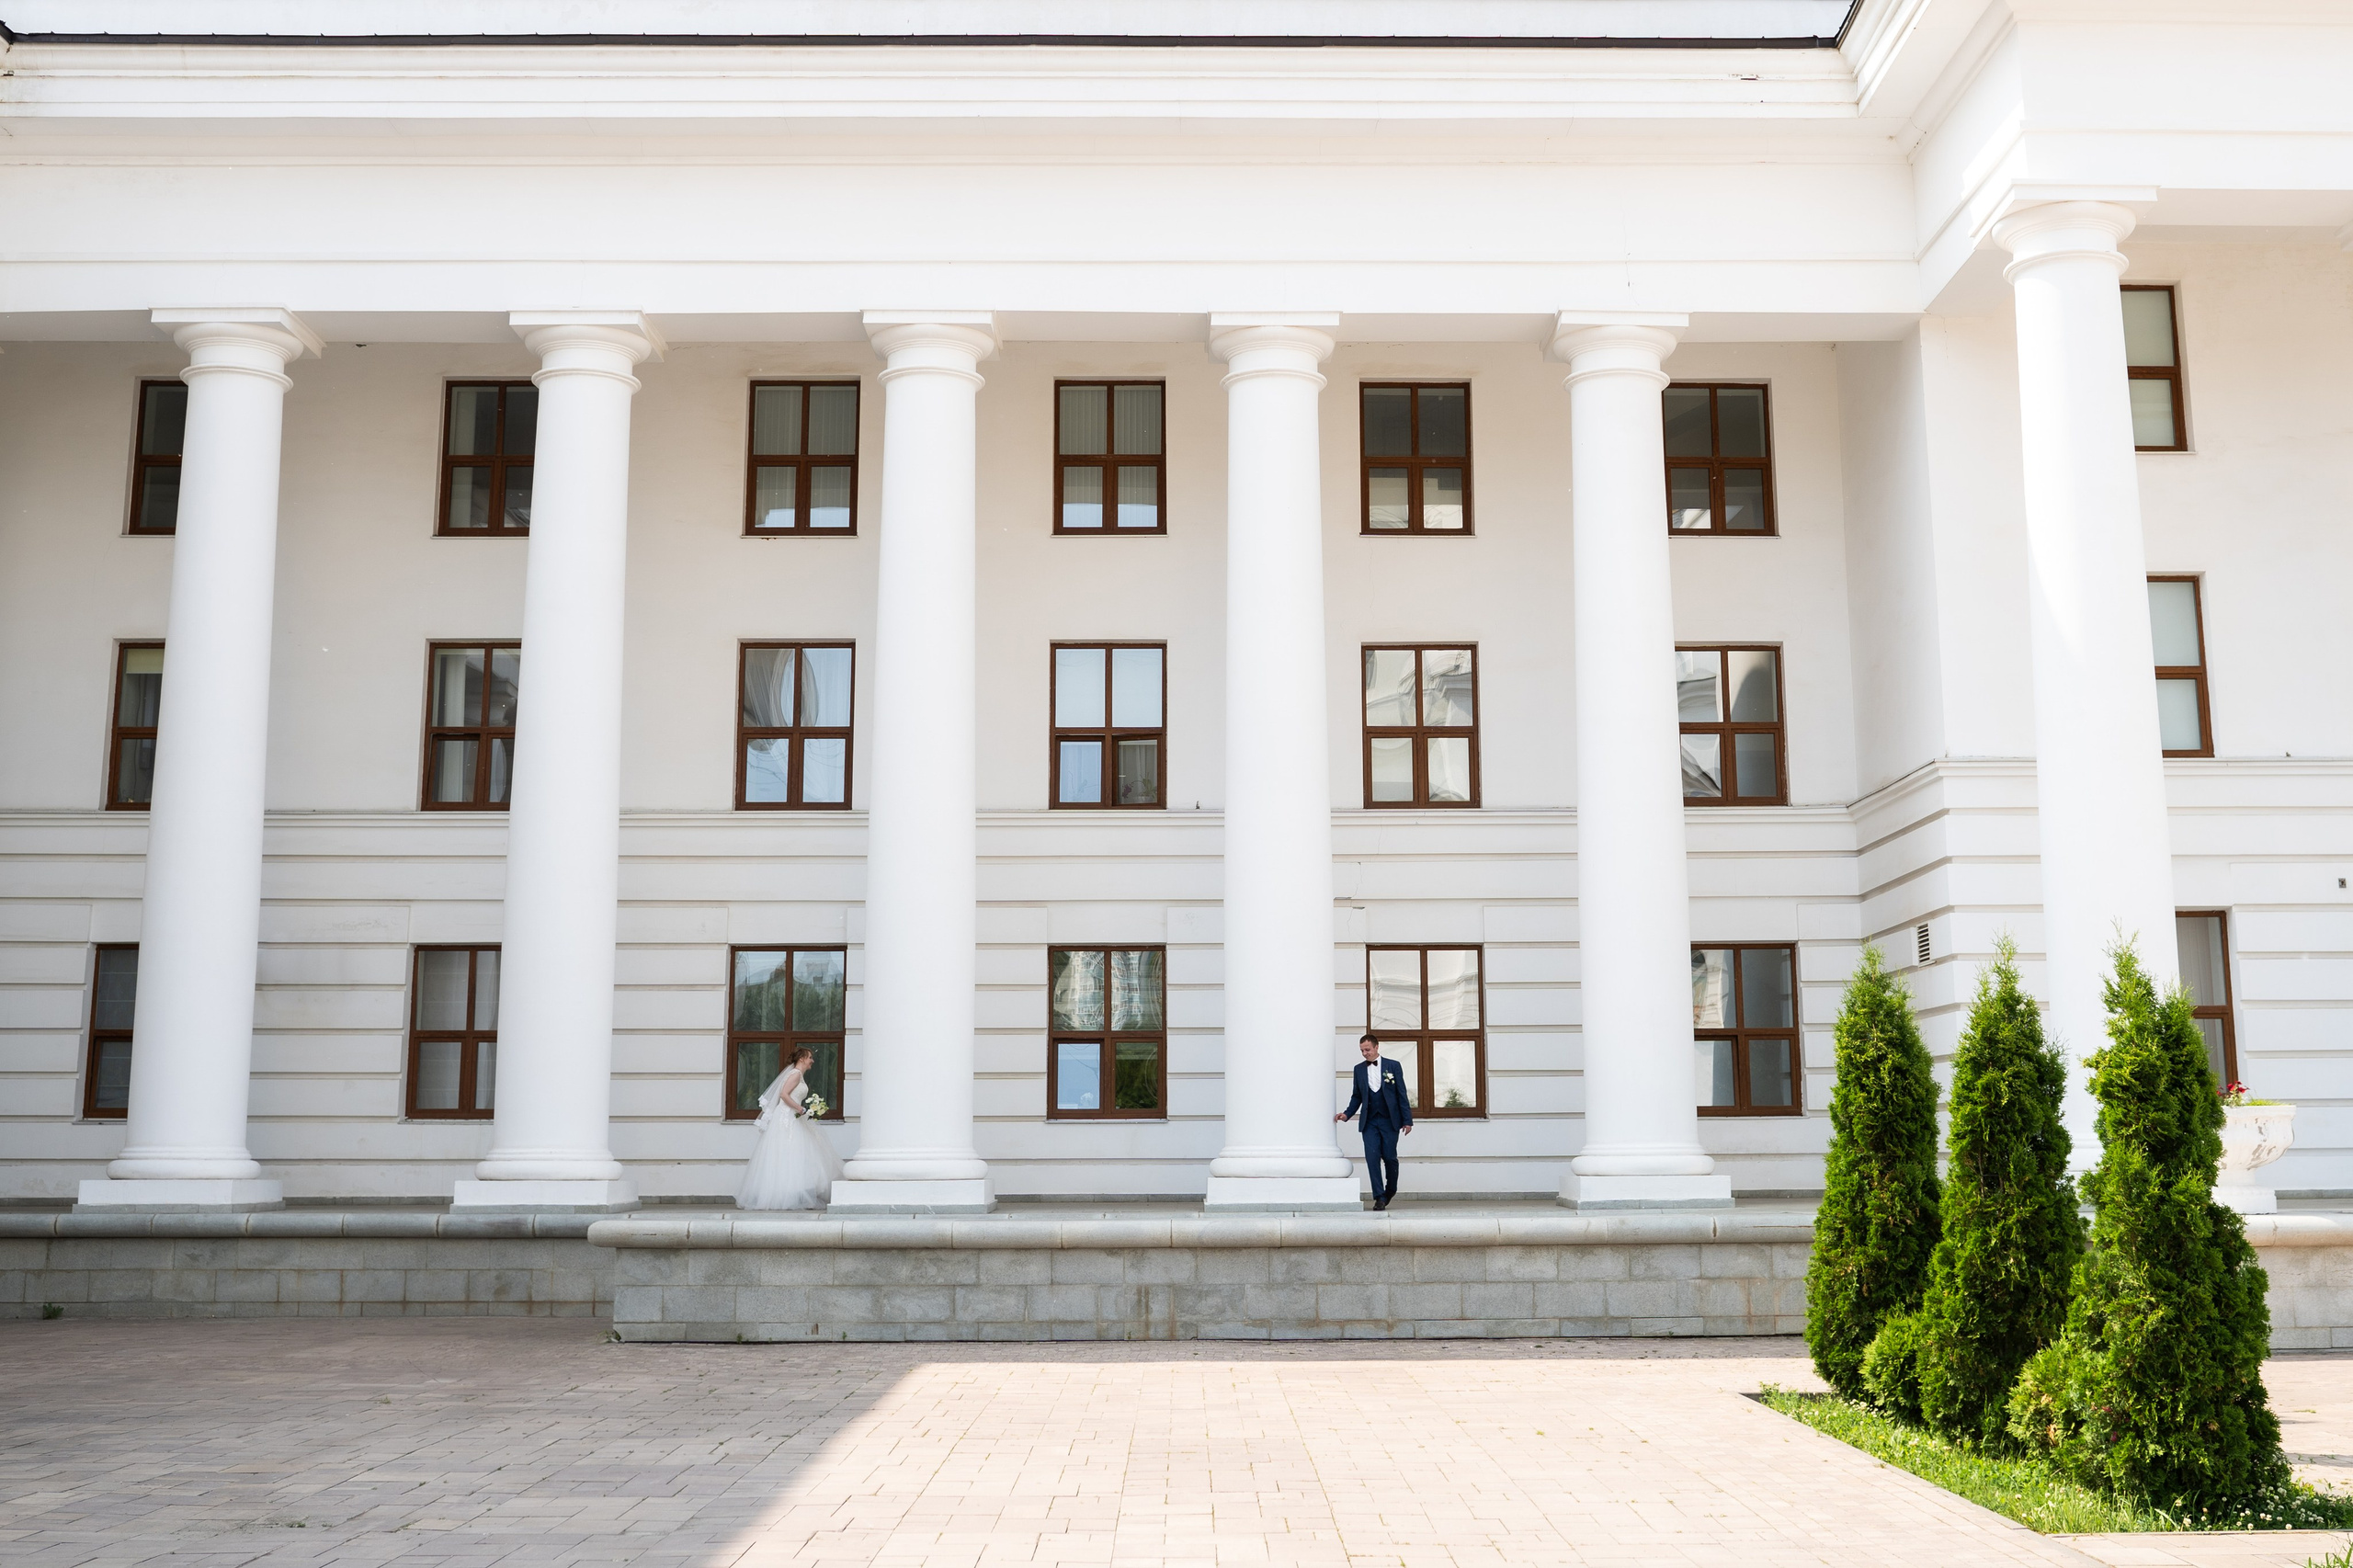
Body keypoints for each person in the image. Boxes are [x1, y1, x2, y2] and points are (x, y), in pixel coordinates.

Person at [735, 1047, 844, 1210]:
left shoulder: (796, 1074)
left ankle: (790, 1194)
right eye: (810, 1057)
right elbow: (784, 1095)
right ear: (801, 1059)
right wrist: (800, 1109)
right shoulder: (795, 1074)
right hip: (787, 1117)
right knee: (790, 1152)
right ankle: (787, 1196)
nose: (812, 1061)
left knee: (794, 1154)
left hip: (791, 1115)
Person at [1335, 1030, 1414, 1210]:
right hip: (1369, 1122)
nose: (1365, 1053)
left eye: (1367, 1049)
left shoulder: (1393, 1066)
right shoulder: (1359, 1069)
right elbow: (1357, 1096)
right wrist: (1347, 1114)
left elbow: (1401, 1093)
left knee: (1390, 1157)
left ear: (1377, 1047)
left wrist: (1407, 1120)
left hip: (1390, 1121)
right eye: (1362, 1050)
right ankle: (1379, 1197)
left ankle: (1390, 1190)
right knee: (1372, 1158)